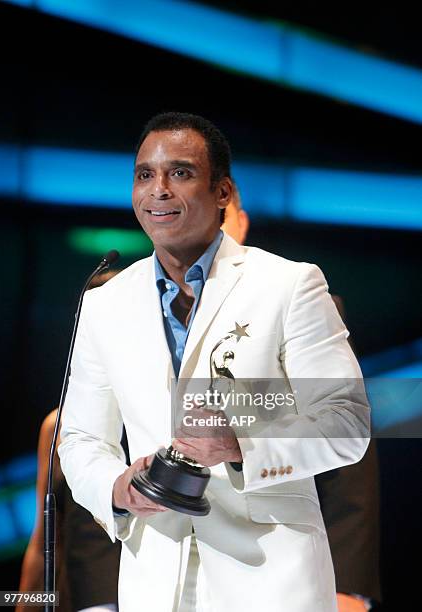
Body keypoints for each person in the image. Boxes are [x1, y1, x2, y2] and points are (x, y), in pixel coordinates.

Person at [59, 112, 370, 612]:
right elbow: (80, 439)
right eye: (145, 175)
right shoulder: (104, 302)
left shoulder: (289, 284)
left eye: (179, 172)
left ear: (223, 191)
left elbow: (346, 423)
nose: (158, 190)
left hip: (273, 578)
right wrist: (117, 487)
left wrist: (238, 444)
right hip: (153, 581)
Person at [222, 188, 381, 611]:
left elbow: (348, 456)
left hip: (284, 564)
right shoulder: (146, 310)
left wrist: (348, 585)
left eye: (220, 216)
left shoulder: (298, 299)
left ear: (241, 221)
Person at [18, 272, 122, 612]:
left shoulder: (165, 417)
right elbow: (45, 542)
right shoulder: (57, 425)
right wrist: (24, 604)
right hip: (81, 601)